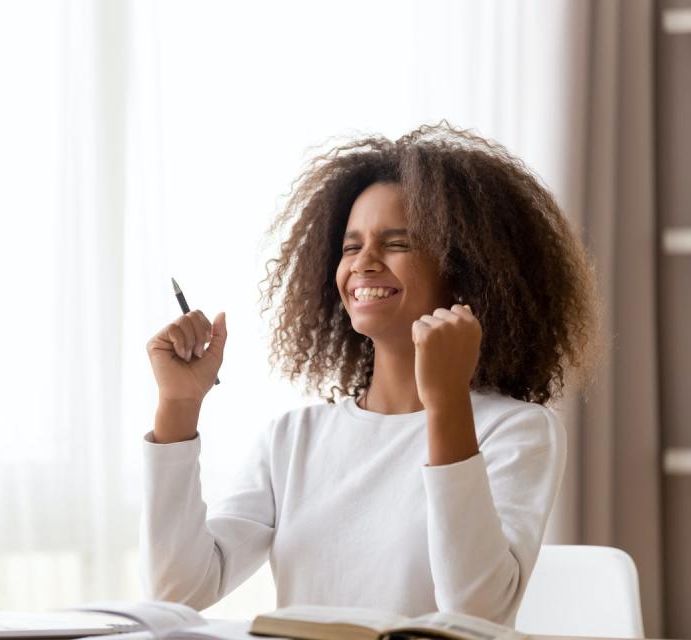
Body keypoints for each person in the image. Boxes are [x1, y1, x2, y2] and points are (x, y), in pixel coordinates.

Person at [141, 123, 598, 626]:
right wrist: (178, 407)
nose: (364, 264)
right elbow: (176, 588)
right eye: (350, 246)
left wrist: (446, 402)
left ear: (465, 268)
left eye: (397, 243)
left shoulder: (516, 430)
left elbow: (476, 612)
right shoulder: (293, 440)